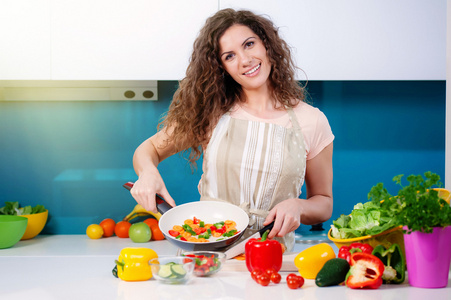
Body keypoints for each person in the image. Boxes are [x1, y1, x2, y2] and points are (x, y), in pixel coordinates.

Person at [130, 8, 334, 251]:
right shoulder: (212, 113)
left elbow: (323, 203)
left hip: (271, 258)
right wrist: (147, 173)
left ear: (267, 45)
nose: (245, 60)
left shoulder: (312, 120)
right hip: (206, 255)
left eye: (249, 44)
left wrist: (298, 206)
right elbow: (149, 149)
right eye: (229, 56)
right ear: (221, 67)